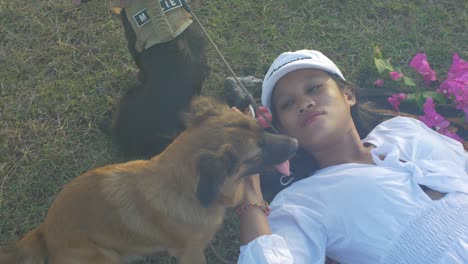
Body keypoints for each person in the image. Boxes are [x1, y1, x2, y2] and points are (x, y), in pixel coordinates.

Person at [236, 49, 468, 263]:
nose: (305, 104)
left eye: (314, 88)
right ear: (283, 130)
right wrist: (247, 179)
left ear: (348, 95)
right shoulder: (301, 202)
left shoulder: (404, 129)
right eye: (287, 104)